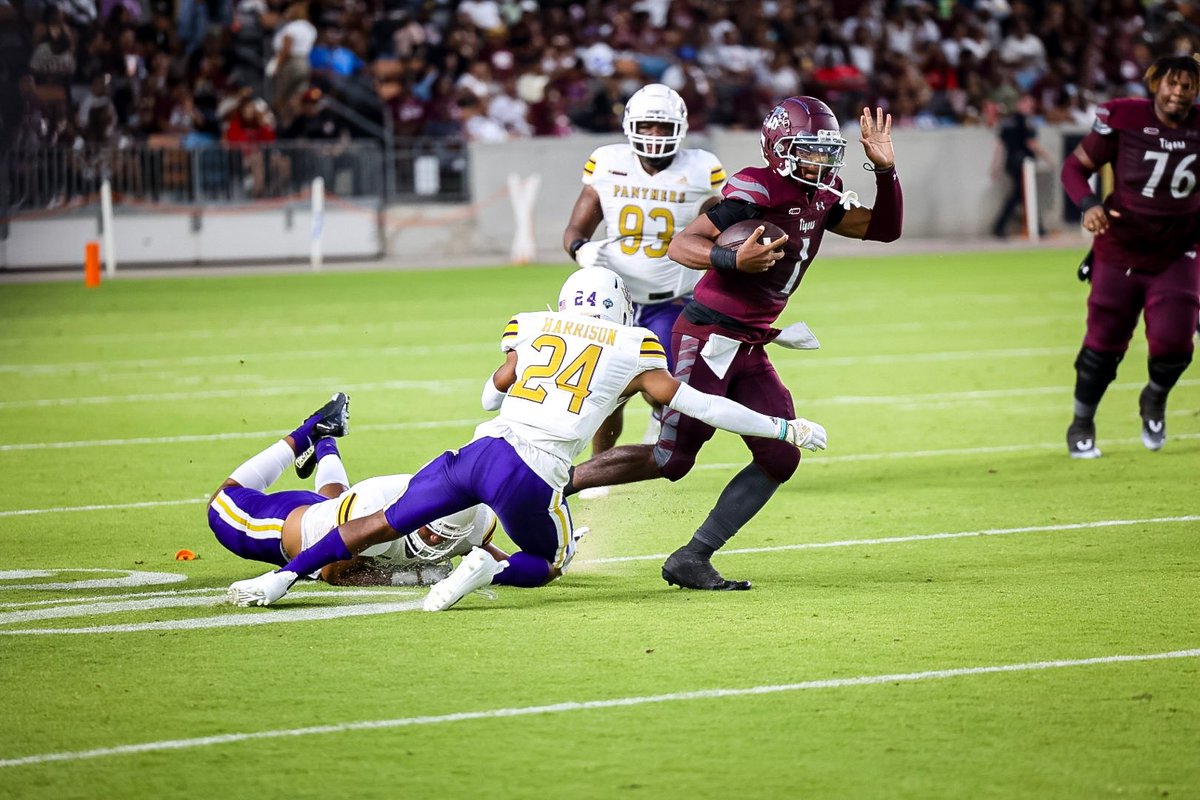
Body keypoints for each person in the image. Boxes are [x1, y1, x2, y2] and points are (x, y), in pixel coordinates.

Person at [226, 268, 827, 611]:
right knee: (548, 562)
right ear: (618, 309)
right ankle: (482, 571)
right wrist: (784, 427)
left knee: (378, 523)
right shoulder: (633, 343)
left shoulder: (533, 324)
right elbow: (697, 403)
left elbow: (491, 394)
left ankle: (277, 581)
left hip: (478, 451)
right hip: (533, 471)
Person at [565, 97, 902, 591]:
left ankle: (693, 556)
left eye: (826, 150)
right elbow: (682, 244)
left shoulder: (821, 193)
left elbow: (884, 229)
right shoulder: (757, 188)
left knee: (780, 455)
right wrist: (731, 260)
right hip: (707, 336)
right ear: (779, 148)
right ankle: (554, 483)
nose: (821, 160)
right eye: (809, 149)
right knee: (671, 459)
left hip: (749, 342)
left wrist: (886, 172)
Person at [562, 84, 727, 478]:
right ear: (630, 126)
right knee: (605, 393)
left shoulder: (701, 169)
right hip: (611, 305)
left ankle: (655, 434)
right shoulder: (607, 162)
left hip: (673, 299)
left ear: (680, 128)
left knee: (665, 389)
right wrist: (581, 250)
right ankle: (596, 472)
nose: (654, 135)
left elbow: (723, 230)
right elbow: (575, 230)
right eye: (647, 126)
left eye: (662, 127)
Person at [210, 393, 507, 587]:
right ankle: (309, 432)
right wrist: (415, 576)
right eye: (431, 531)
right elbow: (333, 573)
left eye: (447, 536)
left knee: (339, 505)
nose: (436, 541)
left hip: (333, 510)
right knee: (221, 502)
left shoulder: (476, 520)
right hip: (281, 527)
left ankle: (326, 441)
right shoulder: (374, 505)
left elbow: (498, 562)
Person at [1059, 55, 1200, 458]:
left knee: (1175, 343)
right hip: (1120, 248)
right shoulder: (1125, 117)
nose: (1178, 92)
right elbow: (1074, 168)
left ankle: (1154, 397)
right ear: (1155, 84)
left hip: (1177, 250)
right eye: (1172, 83)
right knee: (1103, 345)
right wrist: (1088, 204)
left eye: (1187, 85)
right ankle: (1082, 422)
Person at [991, 93, 1054, 238]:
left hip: (1011, 163)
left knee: (1023, 195)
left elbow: (999, 146)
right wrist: (1049, 158)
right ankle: (1002, 226)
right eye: (1028, 105)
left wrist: (995, 166)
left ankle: (1033, 226)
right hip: (1022, 164)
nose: (1030, 108)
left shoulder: (1007, 122)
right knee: (1024, 195)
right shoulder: (1025, 122)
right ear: (1020, 103)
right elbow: (1031, 144)